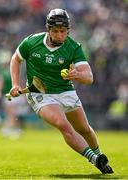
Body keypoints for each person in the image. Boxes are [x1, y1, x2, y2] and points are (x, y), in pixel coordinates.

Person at [9, 8, 113, 174]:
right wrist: (15, 84)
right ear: (48, 29)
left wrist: (77, 75)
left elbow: (89, 77)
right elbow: (16, 59)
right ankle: (94, 159)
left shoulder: (73, 48)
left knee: (84, 129)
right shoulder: (31, 42)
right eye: (55, 31)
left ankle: (101, 158)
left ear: (68, 30)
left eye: (62, 31)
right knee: (63, 125)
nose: (59, 35)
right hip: (40, 93)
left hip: (66, 91)